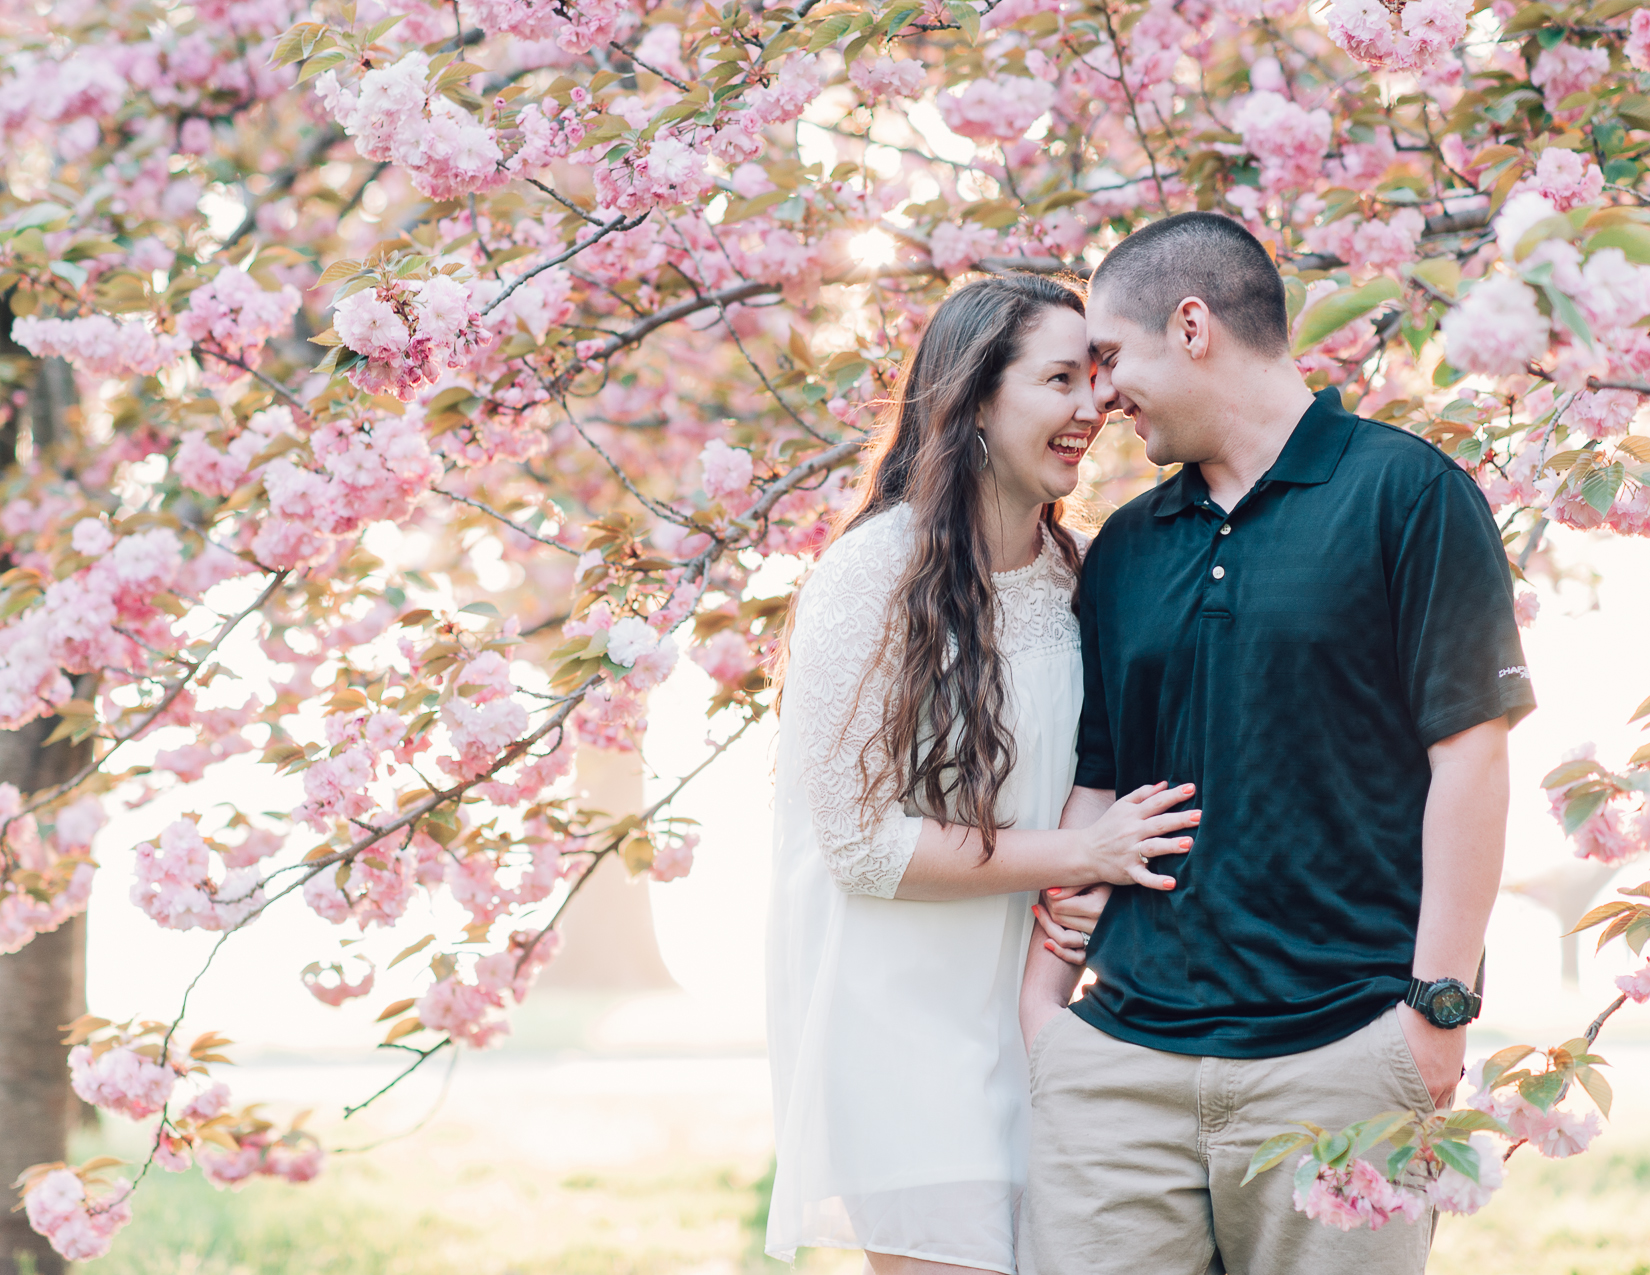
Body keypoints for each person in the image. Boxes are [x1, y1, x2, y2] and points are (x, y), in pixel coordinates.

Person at [1017, 212, 1537, 1275]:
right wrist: (1046, 1013)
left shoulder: (1409, 496)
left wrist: (1438, 1013)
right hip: (1120, 1068)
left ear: (1193, 325)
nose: (1103, 396)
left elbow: (1472, 762)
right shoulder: (1124, 546)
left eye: (1112, 356)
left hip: (1340, 1065)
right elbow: (1098, 786)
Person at [765, 272, 1201, 1275]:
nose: (1093, 407)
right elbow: (862, 846)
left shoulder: (1082, 570)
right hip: (901, 1026)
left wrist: (1088, 887)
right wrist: (1078, 851)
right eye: (1059, 379)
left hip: (1044, 1018)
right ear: (971, 400)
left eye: (1096, 376)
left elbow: (1101, 775)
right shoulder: (869, 577)